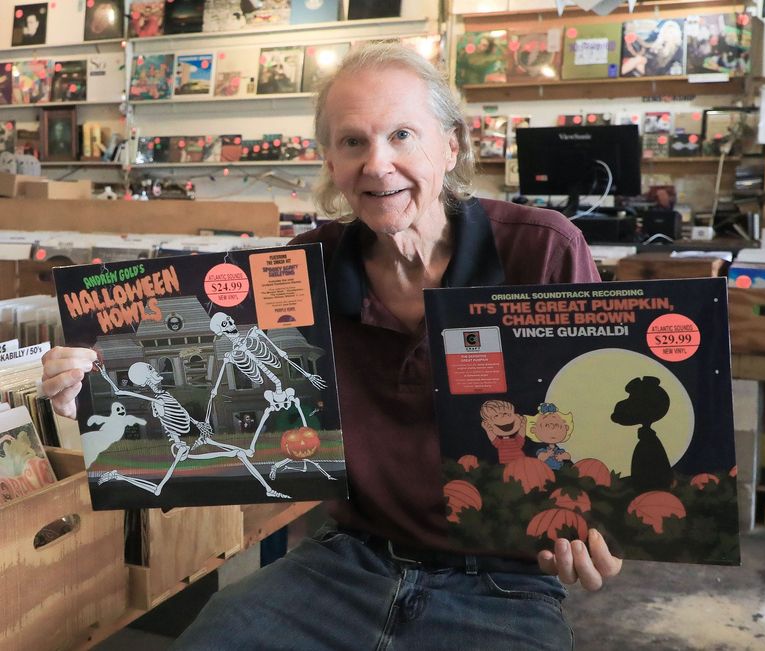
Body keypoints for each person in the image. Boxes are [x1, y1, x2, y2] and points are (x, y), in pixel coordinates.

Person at [41, 43, 621, 650]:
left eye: (402, 134)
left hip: (505, 579)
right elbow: (216, 420)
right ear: (329, 161)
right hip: (348, 560)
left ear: (451, 146)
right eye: (352, 142)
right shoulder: (294, 274)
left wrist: (595, 525)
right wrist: (91, 400)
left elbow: (586, 424)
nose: (377, 164)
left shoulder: (542, 249)